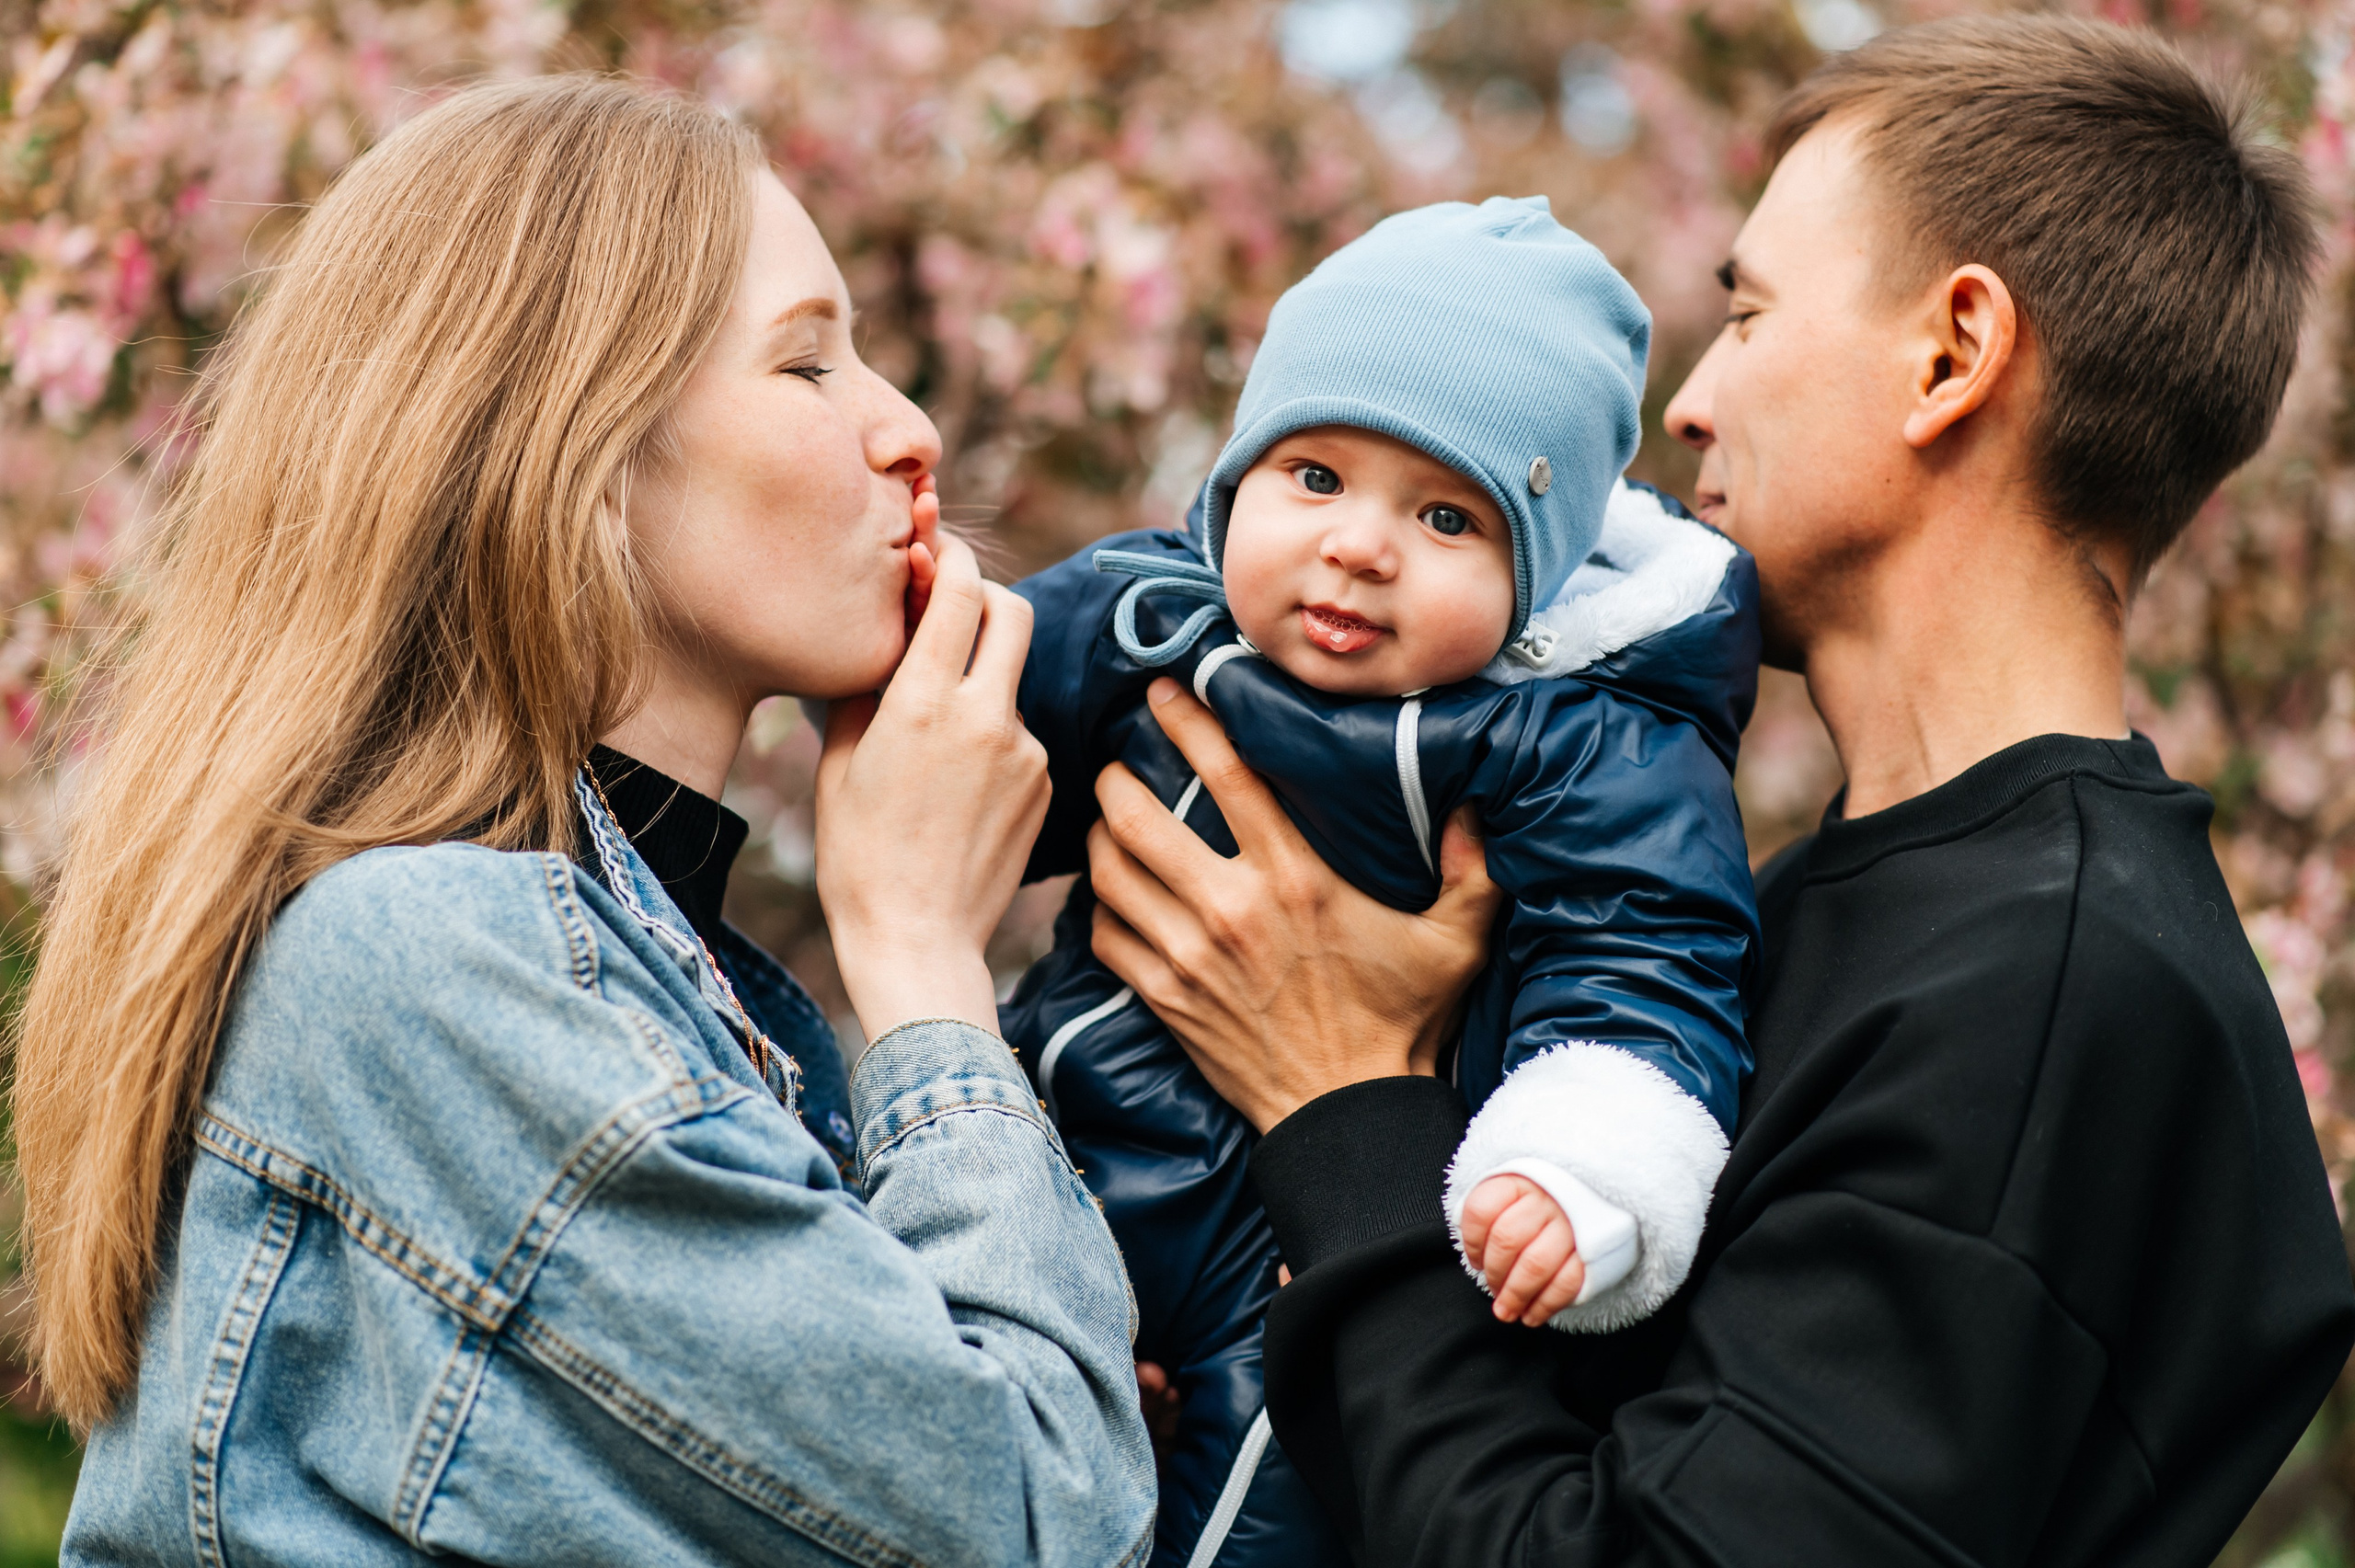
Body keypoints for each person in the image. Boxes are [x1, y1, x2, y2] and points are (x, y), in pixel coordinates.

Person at [1084, 16, 2355, 1565]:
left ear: (1952, 354)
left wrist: (1341, 1107)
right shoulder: (1858, 909)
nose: (1687, 404)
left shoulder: (2056, 996)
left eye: (1746, 316)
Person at [11, 77, 1155, 1565]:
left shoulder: (670, 987)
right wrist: (924, 950)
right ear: (571, 448)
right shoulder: (431, 959)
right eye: (807, 365)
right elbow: (1038, 1518)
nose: (912, 430)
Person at [1005, 198, 1758, 1567]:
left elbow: (1648, 952)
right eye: (1312, 478)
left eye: (1445, 514)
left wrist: (1579, 1169)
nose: (1359, 544)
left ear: (1538, 576)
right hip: (1057, 1136)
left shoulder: (1582, 740)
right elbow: (980, 712)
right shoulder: (1157, 613)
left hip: (1292, 1231)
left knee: (1268, 1481)